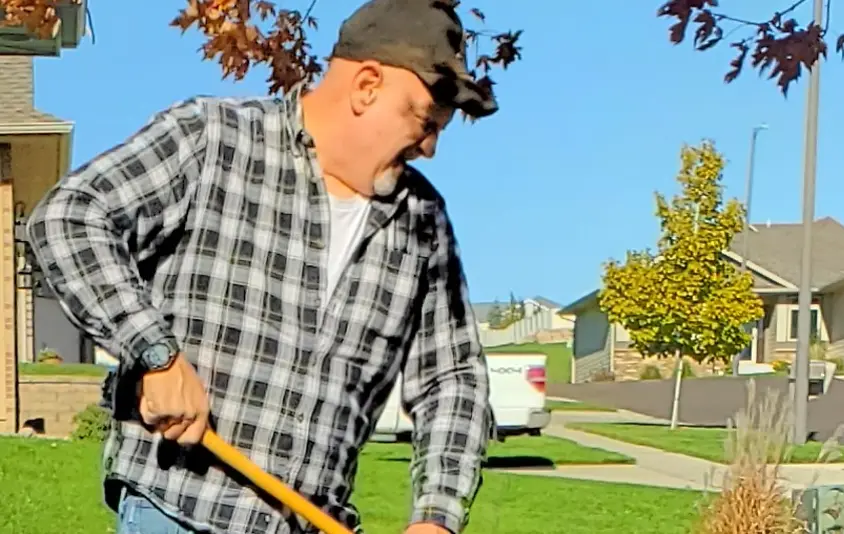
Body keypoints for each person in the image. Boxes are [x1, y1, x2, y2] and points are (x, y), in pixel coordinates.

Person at [26, 1, 495, 533]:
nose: (430, 148)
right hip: (179, 512)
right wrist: (156, 354)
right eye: (424, 122)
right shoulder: (214, 139)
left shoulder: (422, 222)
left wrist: (437, 516)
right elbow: (70, 218)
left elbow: (453, 380)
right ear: (366, 86)